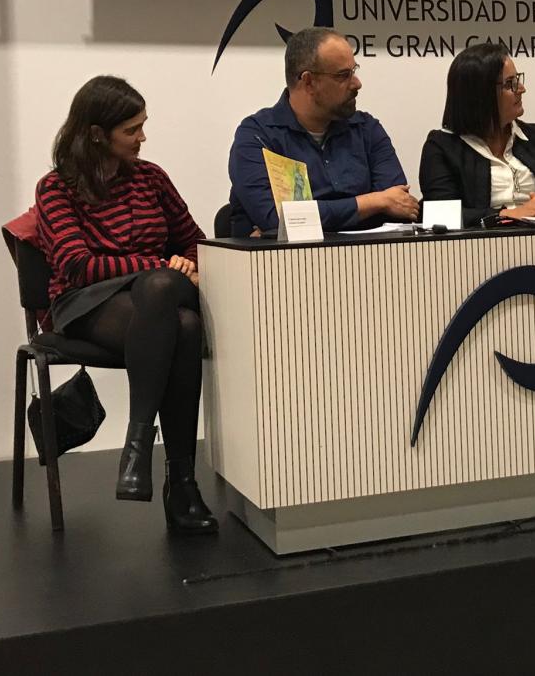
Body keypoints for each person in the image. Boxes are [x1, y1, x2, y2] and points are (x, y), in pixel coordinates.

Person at [34, 76, 216, 534]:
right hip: (85, 306)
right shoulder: (57, 187)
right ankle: (179, 483)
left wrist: (185, 264)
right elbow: (76, 266)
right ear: (97, 134)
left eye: (143, 127)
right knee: (173, 307)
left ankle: (149, 456)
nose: (142, 137)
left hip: (151, 303)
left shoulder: (152, 178)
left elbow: (195, 242)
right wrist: (158, 265)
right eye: (132, 130)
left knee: (181, 317)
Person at [228, 26, 419, 236]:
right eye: (343, 75)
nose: (357, 83)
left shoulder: (367, 129)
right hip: (289, 264)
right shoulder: (258, 137)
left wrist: (309, 216)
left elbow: (399, 206)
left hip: (369, 260)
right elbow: (277, 219)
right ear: (308, 81)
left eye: (354, 71)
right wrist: (374, 201)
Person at [419, 42, 535, 226]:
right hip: (478, 249)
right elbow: (440, 215)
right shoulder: (442, 146)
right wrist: (509, 214)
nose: (521, 89)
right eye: (509, 84)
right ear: (480, 94)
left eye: (518, 79)